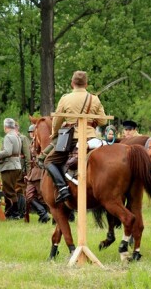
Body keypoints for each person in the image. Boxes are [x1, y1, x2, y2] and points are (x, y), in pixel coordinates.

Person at [44, 70, 107, 203]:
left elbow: (57, 121)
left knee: (48, 161)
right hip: (91, 138)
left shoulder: (65, 98)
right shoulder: (94, 99)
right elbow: (103, 121)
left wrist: (55, 133)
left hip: (72, 140)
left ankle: (62, 188)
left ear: (72, 83)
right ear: (86, 84)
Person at [0, 118, 22, 218]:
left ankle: (13, 213)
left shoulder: (8, 137)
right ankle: (12, 212)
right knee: (12, 190)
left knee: (9, 191)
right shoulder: (17, 136)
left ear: (5, 127)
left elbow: (7, 152)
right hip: (16, 165)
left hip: (9, 166)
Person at [25, 124, 50, 223]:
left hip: (40, 171)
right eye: (30, 132)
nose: (31, 134)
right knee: (29, 195)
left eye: (32, 132)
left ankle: (56, 215)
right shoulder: (32, 142)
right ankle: (43, 213)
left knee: (43, 197)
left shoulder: (41, 142)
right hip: (33, 172)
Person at [14, 121, 31, 218]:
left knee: (21, 190)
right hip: (14, 169)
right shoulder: (11, 138)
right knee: (16, 190)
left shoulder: (23, 138)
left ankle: (22, 212)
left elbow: (28, 157)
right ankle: (19, 211)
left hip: (22, 169)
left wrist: (28, 172)